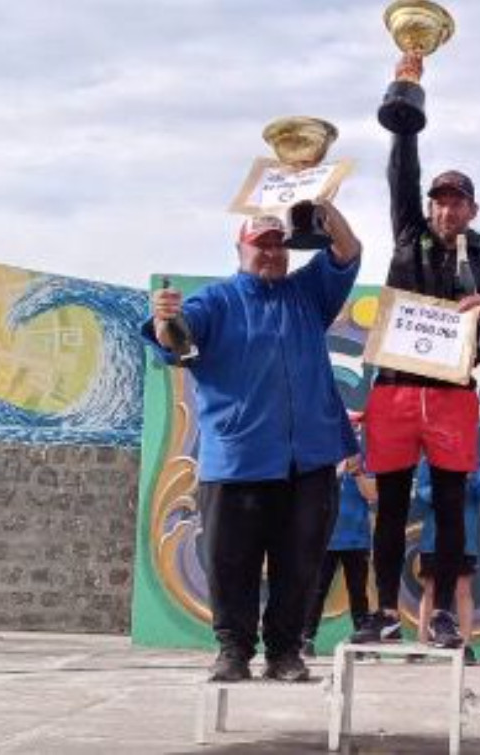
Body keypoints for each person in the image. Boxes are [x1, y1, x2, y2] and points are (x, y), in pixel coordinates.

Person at [143, 206, 362, 682]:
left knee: (301, 563)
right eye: (260, 243)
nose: (271, 252)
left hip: (310, 457)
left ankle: (285, 652)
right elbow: (177, 343)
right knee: (231, 565)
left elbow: (348, 251)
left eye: (278, 244)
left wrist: (323, 203)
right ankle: (233, 651)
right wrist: (165, 321)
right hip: (238, 458)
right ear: (239, 248)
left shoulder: (308, 293)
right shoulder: (215, 301)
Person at [357, 51, 480, 650]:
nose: (446, 208)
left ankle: (449, 616)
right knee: (393, 503)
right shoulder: (409, 234)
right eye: (439, 200)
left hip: (453, 394)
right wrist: (406, 86)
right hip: (397, 388)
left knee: (452, 508)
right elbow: (400, 168)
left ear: (473, 209)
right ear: (428, 206)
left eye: (457, 201)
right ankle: (380, 612)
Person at [415, 454, 480, 661]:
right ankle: (422, 643)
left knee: (463, 589)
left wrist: (472, 476)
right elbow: (422, 492)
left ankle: (466, 645)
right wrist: (448, 486)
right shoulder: (429, 460)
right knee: (430, 588)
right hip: (434, 538)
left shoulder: (475, 461)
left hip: (464, 540)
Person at [301, 441, 376, 657]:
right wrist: (340, 470)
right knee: (317, 591)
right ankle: (306, 639)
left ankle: (362, 642)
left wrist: (358, 473)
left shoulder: (364, 460)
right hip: (326, 538)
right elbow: (315, 489)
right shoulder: (323, 458)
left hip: (357, 539)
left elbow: (372, 495)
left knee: (358, 592)